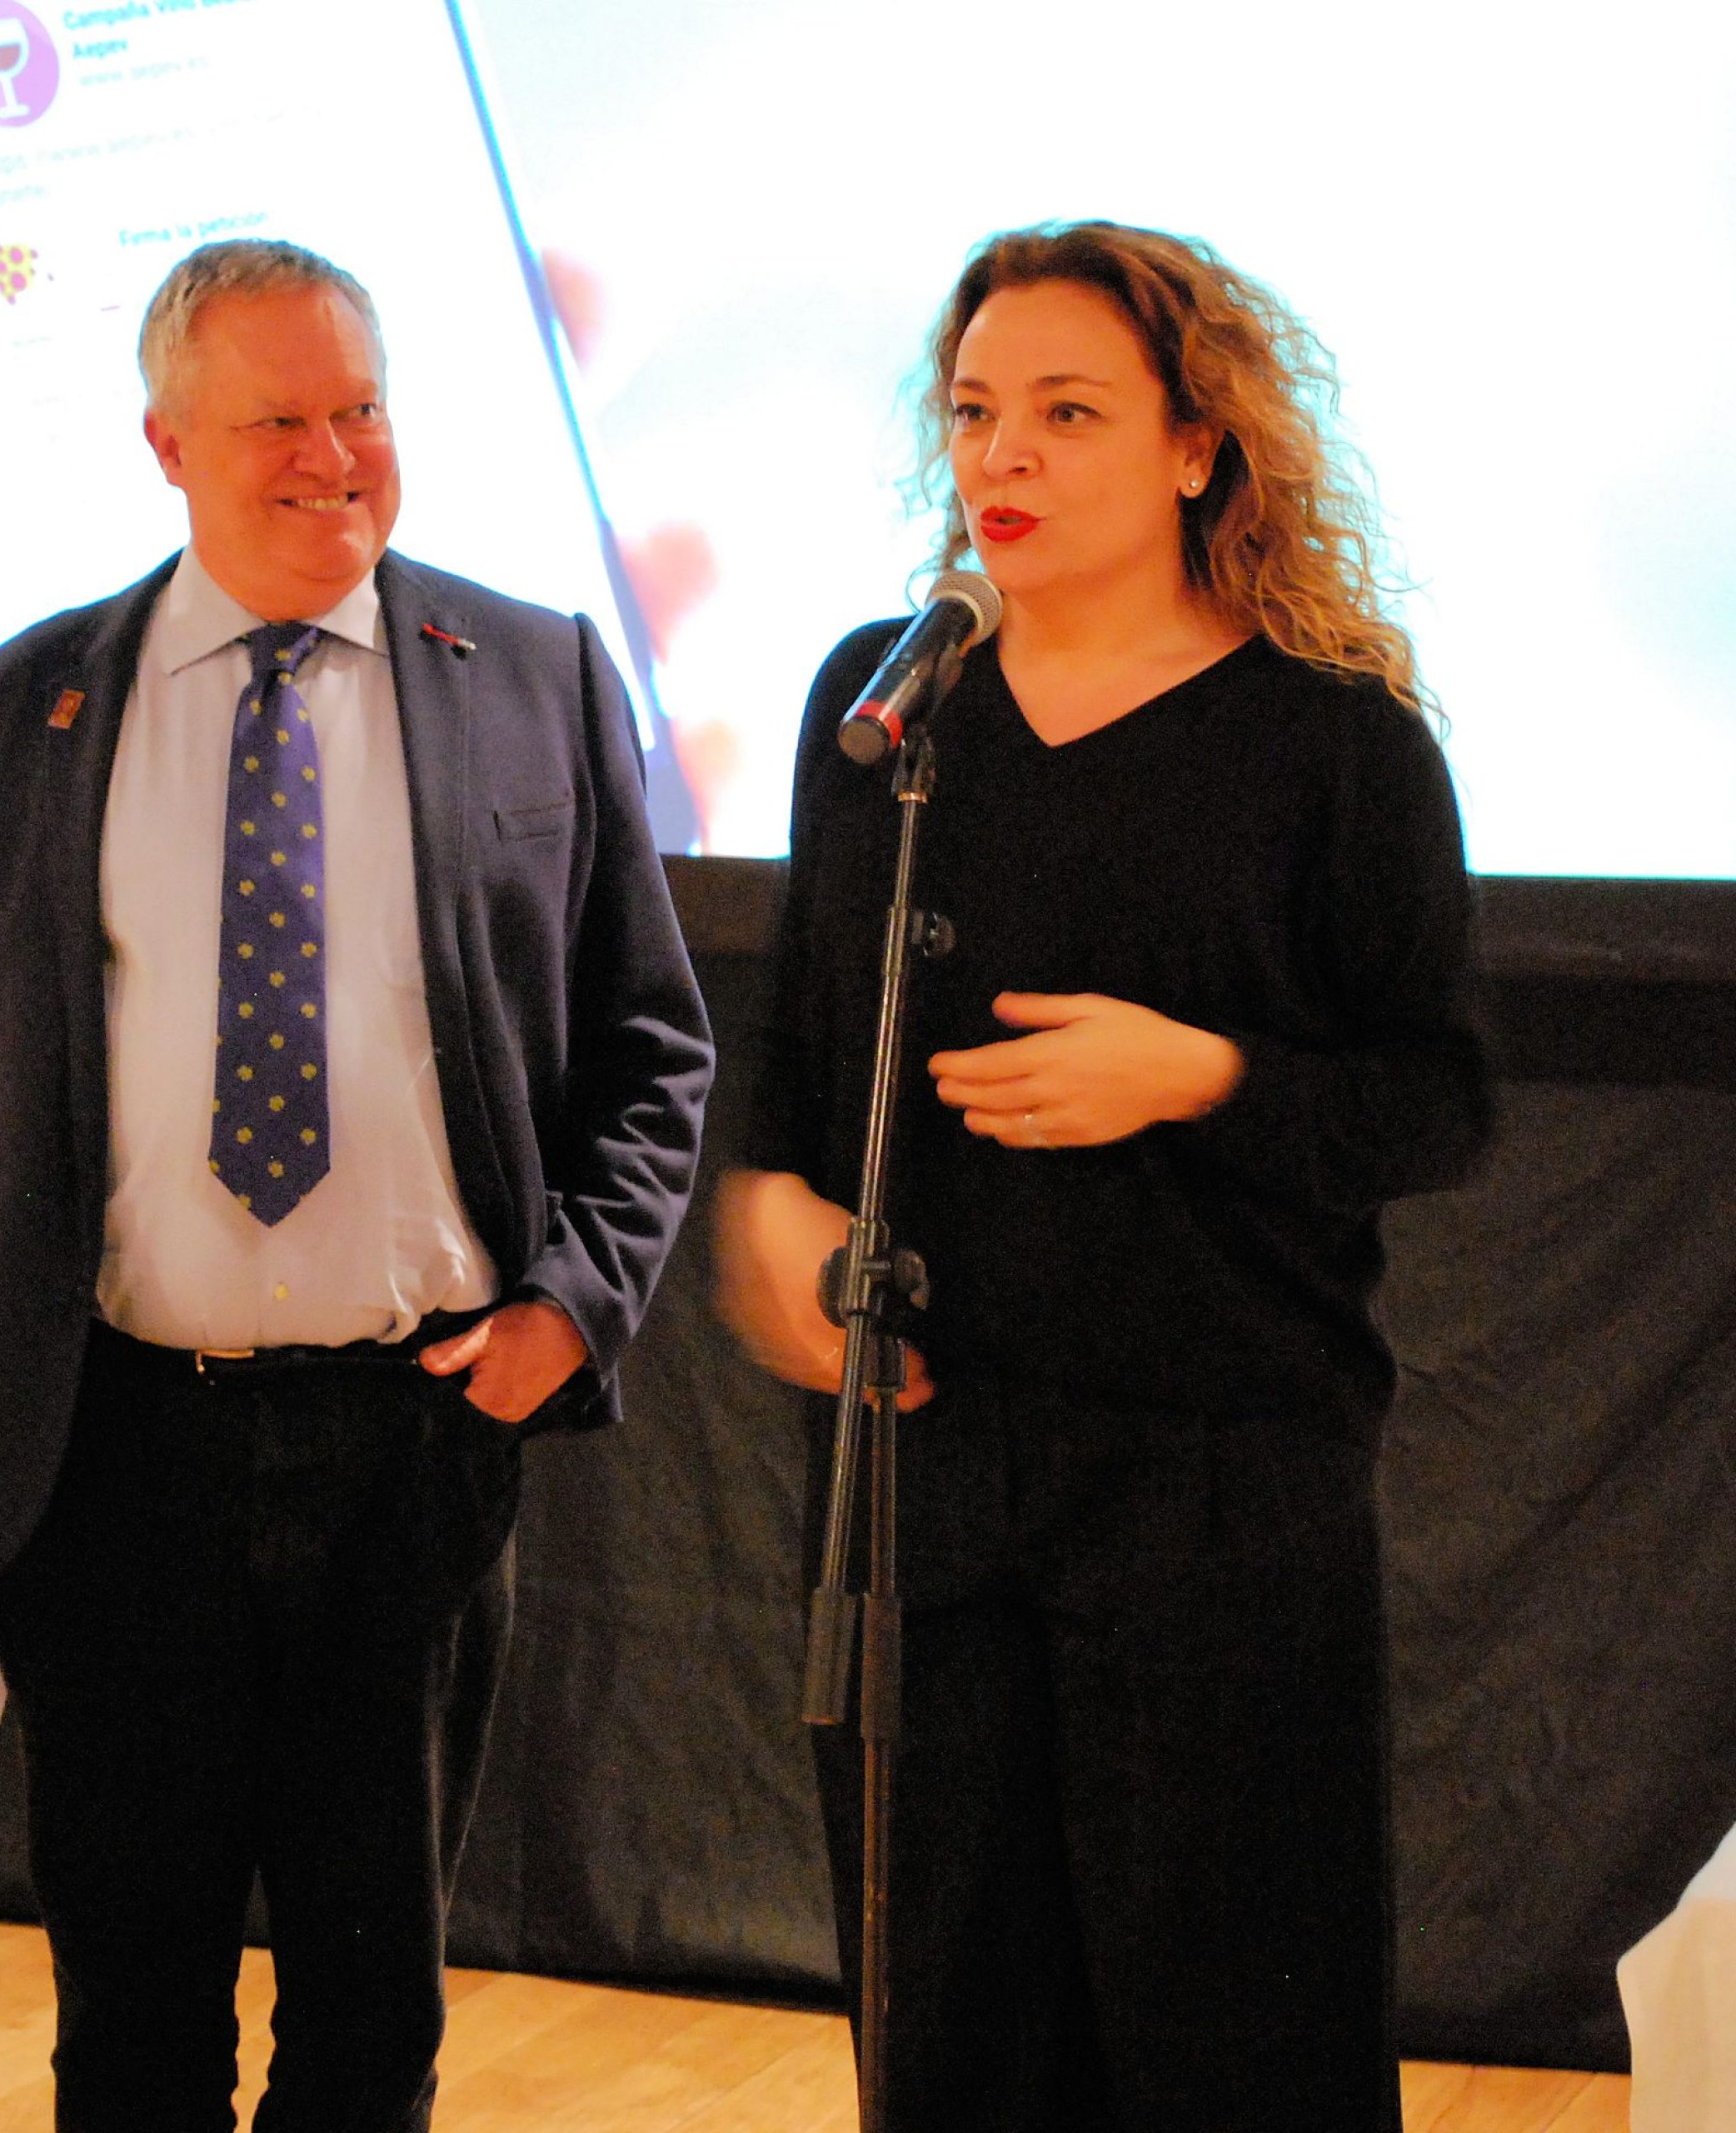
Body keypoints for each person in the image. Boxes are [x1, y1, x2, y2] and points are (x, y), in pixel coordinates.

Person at [0, 237, 713, 2133]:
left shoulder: (535, 673)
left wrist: (572, 1309)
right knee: (130, 2023)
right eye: (278, 424)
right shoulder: (11, 714)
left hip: (412, 1446)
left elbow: (656, 1051)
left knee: (367, 2021)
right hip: (110, 1454)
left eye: (361, 410)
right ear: (167, 444)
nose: (334, 459)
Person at [716, 221, 1493, 2132]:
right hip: (923, 1488)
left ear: (1193, 446)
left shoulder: (1329, 738)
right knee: (954, 2045)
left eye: (1065, 412)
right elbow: (800, 1056)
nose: (1003, 454)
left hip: (1214, 1495)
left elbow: (1436, 1100)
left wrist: (1199, 1075)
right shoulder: (885, 710)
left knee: (1230, 2049)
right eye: (973, 410)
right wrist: (773, 1208)